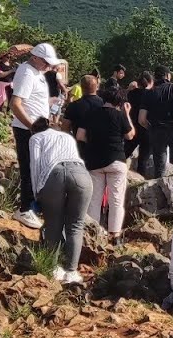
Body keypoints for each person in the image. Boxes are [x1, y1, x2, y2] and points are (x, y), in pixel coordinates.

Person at [30, 118, 92, 284]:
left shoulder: (35, 138)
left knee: (53, 224)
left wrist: (37, 194)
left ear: (34, 130)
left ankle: (53, 267)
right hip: (81, 175)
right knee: (76, 225)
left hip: (54, 174)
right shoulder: (66, 137)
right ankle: (71, 271)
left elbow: (35, 165)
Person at [10, 43, 62, 229]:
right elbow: (16, 104)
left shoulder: (36, 73)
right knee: (30, 169)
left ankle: (31, 207)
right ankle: (25, 209)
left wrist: (49, 102)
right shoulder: (26, 72)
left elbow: (32, 100)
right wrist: (32, 127)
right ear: (35, 57)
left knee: (37, 169)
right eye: (46, 62)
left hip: (35, 128)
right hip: (28, 130)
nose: (49, 66)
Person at [77, 87, 135, 244]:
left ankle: (94, 234)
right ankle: (114, 236)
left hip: (94, 161)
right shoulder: (119, 115)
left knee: (94, 199)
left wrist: (95, 142)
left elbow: (80, 136)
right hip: (116, 160)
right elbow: (130, 135)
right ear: (120, 102)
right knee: (116, 199)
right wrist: (127, 114)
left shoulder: (91, 114)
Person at [142, 67, 173, 179]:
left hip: (156, 129)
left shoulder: (149, 93)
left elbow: (141, 119)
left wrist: (151, 127)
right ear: (167, 75)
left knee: (159, 164)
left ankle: (159, 187)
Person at [63, 75, 103, 159]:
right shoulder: (104, 104)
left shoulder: (73, 106)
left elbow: (64, 128)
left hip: (79, 147)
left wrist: (73, 139)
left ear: (81, 87)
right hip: (101, 145)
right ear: (97, 87)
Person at [126, 71, 154, 173]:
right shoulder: (151, 94)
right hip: (146, 129)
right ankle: (140, 180)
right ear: (151, 81)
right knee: (143, 159)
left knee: (124, 153)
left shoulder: (131, 94)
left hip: (132, 127)